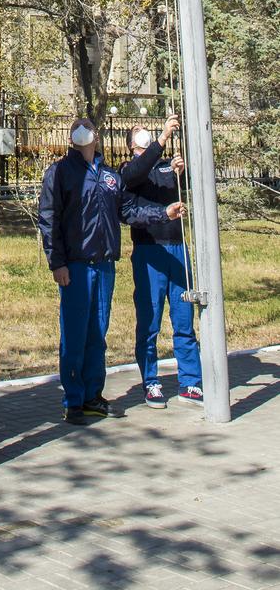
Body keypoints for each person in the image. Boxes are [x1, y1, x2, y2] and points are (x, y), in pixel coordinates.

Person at [38, 117, 184, 425]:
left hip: (103, 265)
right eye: (78, 126)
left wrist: (163, 213)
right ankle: (73, 400)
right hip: (76, 265)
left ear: (97, 137)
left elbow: (128, 211)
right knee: (75, 334)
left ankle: (93, 396)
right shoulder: (61, 172)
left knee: (97, 333)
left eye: (88, 126)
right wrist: (57, 263)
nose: (83, 129)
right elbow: (49, 219)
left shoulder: (108, 176)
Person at [121, 114, 203, 408]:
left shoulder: (166, 166)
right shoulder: (130, 170)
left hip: (177, 248)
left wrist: (182, 170)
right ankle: (151, 381)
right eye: (137, 134)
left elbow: (188, 184)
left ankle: (191, 381)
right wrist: (162, 139)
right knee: (150, 320)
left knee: (184, 318)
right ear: (131, 144)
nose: (142, 133)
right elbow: (137, 173)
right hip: (149, 252)